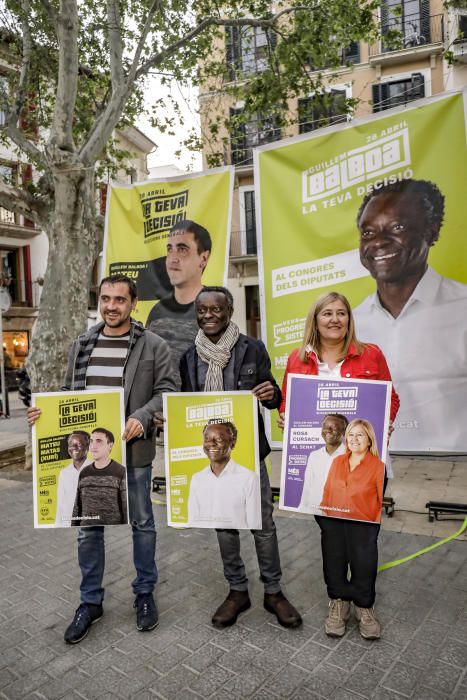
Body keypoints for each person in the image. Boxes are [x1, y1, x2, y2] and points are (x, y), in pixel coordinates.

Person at [28, 273, 177, 644]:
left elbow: (168, 391)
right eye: (105, 299)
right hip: (91, 456)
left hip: (135, 452)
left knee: (142, 524)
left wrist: (141, 417)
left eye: (120, 300)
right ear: (99, 301)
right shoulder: (82, 344)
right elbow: (67, 394)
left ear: (133, 303)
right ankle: (90, 602)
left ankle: (144, 594)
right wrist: (43, 414)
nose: (111, 306)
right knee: (87, 528)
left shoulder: (153, 345)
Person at [168, 285, 302, 629]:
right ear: (195, 313)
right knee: (224, 524)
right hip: (212, 457)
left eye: (217, 310)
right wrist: (168, 419)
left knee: (263, 525)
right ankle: (237, 590)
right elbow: (184, 407)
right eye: (202, 311)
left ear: (230, 312)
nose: (209, 316)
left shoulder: (251, 349)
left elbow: (272, 397)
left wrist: (273, 394)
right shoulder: (188, 357)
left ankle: (273, 591)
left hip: (249, 452)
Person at [278, 291, 399, 641]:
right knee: (332, 539)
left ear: (349, 319)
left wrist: (384, 421)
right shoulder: (298, 359)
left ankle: (363, 603)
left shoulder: (370, 355)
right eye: (326, 313)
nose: (335, 319)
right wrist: (286, 417)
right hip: (323, 469)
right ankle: (337, 600)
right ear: (315, 320)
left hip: (366, 468)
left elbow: (390, 398)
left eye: (341, 313)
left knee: (363, 540)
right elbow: (288, 403)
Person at [353, 179, 467, 452]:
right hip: (374, 478)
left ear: (431, 231)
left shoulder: (463, 307)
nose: (379, 242)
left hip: (454, 483)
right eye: (368, 232)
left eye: (397, 228)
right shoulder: (352, 324)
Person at [146, 220, 212, 368]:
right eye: (170, 249)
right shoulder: (156, 312)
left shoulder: (216, 310)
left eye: (182, 249)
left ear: (203, 258)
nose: (172, 259)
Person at [188, 421, 261, 529]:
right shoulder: (197, 479)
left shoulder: (249, 478)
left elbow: (254, 523)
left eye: (219, 439)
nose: (212, 443)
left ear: (232, 443)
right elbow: (193, 521)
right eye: (207, 439)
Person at [321, 419, 384, 523]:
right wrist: (324, 515)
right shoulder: (337, 461)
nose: (354, 439)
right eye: (350, 434)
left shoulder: (379, 467)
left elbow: (381, 505)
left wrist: (372, 528)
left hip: (362, 527)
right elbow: (327, 491)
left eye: (359, 435)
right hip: (333, 524)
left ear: (369, 441)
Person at [72, 429, 128, 527]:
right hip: (87, 531)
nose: (93, 446)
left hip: (112, 531)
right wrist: (73, 527)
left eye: (99, 441)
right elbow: (77, 506)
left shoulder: (121, 472)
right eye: (91, 441)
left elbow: (126, 509)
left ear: (110, 445)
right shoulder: (84, 472)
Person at [298, 414, 348, 514]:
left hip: (339, 512)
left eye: (333, 428)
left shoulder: (351, 457)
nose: (328, 431)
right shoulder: (314, 455)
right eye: (325, 427)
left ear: (343, 432)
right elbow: (308, 484)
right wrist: (302, 507)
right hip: (314, 510)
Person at [55, 431, 91, 527]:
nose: (74, 447)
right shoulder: (64, 473)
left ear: (88, 447)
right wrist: (58, 524)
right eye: (71, 444)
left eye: (79, 444)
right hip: (68, 523)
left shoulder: (97, 470)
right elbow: (61, 503)